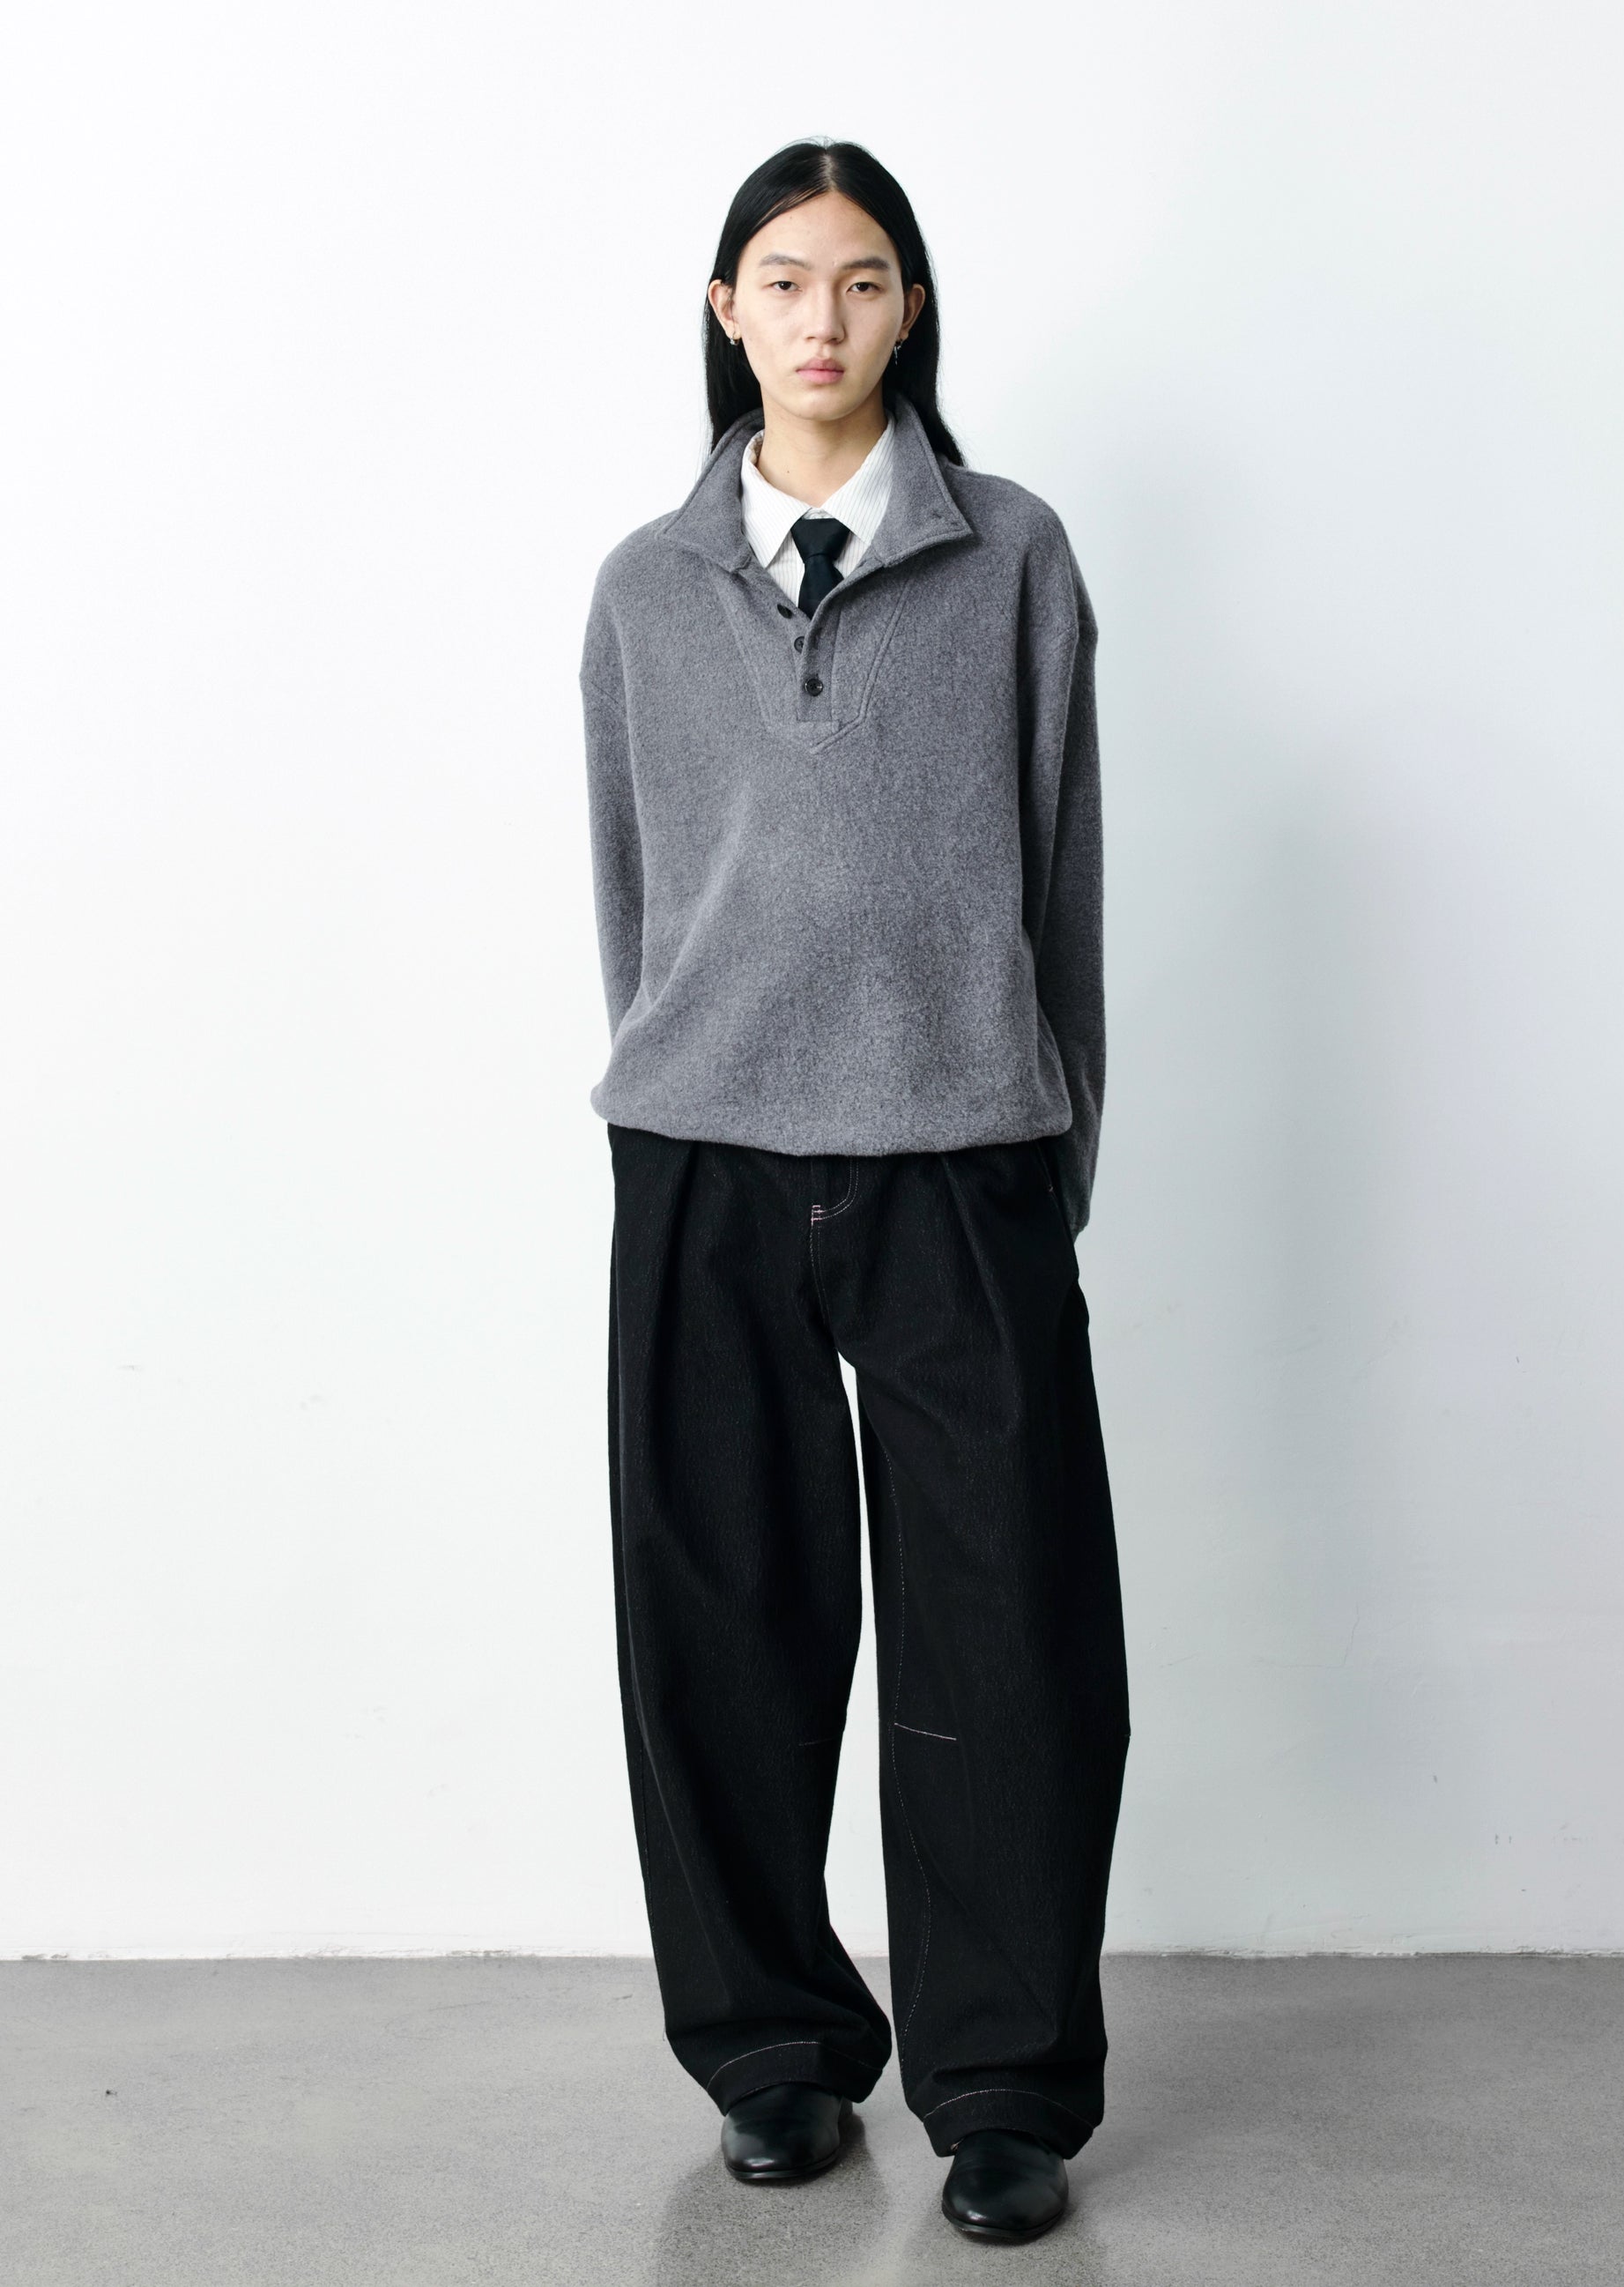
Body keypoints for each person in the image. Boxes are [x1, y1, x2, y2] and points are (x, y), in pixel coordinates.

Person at [580, 137, 1130, 2246]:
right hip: (705, 1154)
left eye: (866, 278)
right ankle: (772, 2047)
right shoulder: (647, 587)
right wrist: (671, 1097)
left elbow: (1060, 869)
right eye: (787, 278)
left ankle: (1002, 2080)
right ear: (727, 307)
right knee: (715, 1616)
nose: (824, 316)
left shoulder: (1012, 558)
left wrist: (1047, 1142)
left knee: (1012, 1622)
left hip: (958, 1148)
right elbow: (634, 894)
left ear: (911, 308)